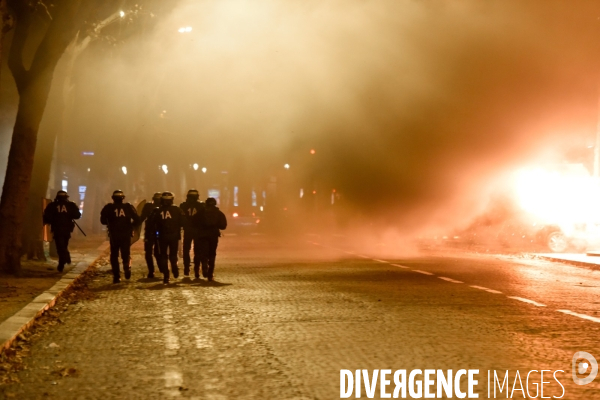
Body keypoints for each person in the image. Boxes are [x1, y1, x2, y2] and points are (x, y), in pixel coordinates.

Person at [100, 190, 141, 283]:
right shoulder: (128, 207)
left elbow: (102, 221)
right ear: (123, 198)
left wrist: (111, 222)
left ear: (113, 198)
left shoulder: (108, 207)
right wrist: (131, 225)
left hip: (114, 234)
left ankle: (116, 276)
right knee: (125, 253)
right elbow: (138, 220)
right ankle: (126, 266)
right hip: (126, 234)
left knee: (114, 255)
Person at [42, 190, 82, 272]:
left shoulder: (52, 205)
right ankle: (64, 259)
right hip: (67, 229)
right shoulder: (71, 205)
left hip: (57, 229)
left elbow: (46, 217)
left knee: (60, 246)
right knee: (64, 244)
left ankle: (63, 261)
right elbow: (77, 215)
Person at [151, 191, 185, 284]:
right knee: (173, 254)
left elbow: (153, 223)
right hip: (174, 235)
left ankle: (166, 275)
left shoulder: (157, 210)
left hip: (162, 236)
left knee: (163, 255)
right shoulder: (177, 209)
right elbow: (183, 222)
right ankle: (174, 266)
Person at [197, 197, 227, 281]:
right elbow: (223, 226)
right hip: (213, 235)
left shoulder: (201, 213)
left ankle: (204, 266)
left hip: (202, 235)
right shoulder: (219, 213)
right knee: (212, 254)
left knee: (203, 253)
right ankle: (210, 273)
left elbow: (194, 222)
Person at [179, 189, 204, 277]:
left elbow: (180, 218)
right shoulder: (201, 205)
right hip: (198, 230)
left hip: (188, 230)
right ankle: (196, 269)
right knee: (197, 251)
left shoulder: (183, 205)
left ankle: (187, 268)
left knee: (186, 250)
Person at [139, 192, 162, 278]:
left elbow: (142, 218)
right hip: (151, 231)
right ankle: (154, 270)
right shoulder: (149, 206)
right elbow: (142, 218)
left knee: (154, 252)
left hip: (153, 232)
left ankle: (153, 270)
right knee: (153, 252)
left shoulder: (164, 207)